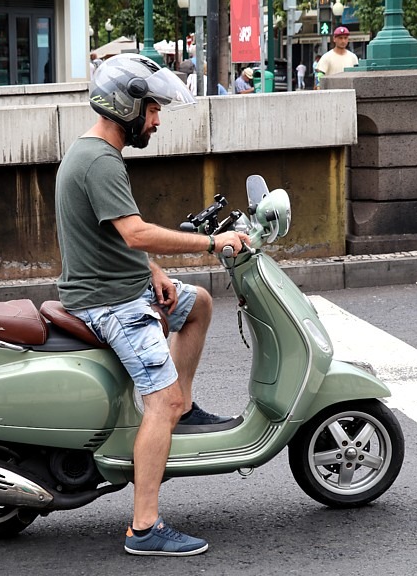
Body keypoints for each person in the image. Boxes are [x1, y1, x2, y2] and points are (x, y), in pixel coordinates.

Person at [54, 53, 249, 557]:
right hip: (109, 302)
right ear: (125, 106)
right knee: (156, 402)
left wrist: (154, 271)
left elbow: (112, 237)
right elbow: (136, 231)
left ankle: (181, 408)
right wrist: (213, 244)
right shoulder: (100, 161)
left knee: (198, 303)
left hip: (119, 282)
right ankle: (144, 526)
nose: (157, 120)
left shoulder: (93, 152)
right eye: (152, 109)